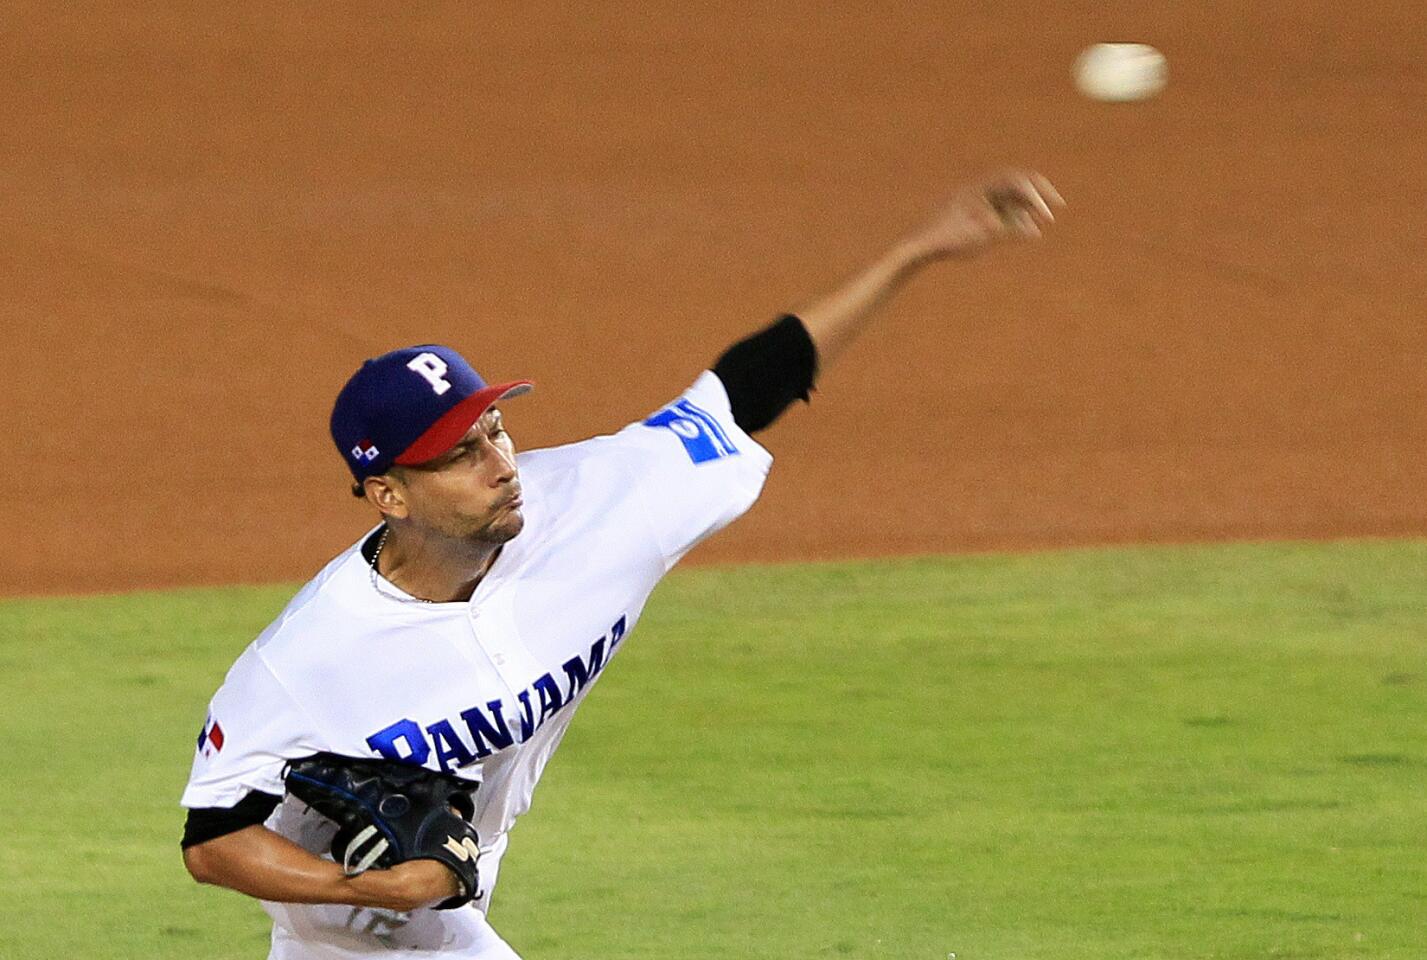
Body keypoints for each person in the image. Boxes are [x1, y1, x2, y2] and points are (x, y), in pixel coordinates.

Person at [179, 170, 1063, 959]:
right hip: (358, 942)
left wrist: (919, 249)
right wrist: (364, 888)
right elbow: (212, 838)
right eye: (458, 453)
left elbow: (742, 394)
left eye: (494, 428)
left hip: (444, 923)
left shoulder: (597, 503)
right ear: (390, 495)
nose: (499, 462)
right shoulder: (304, 660)